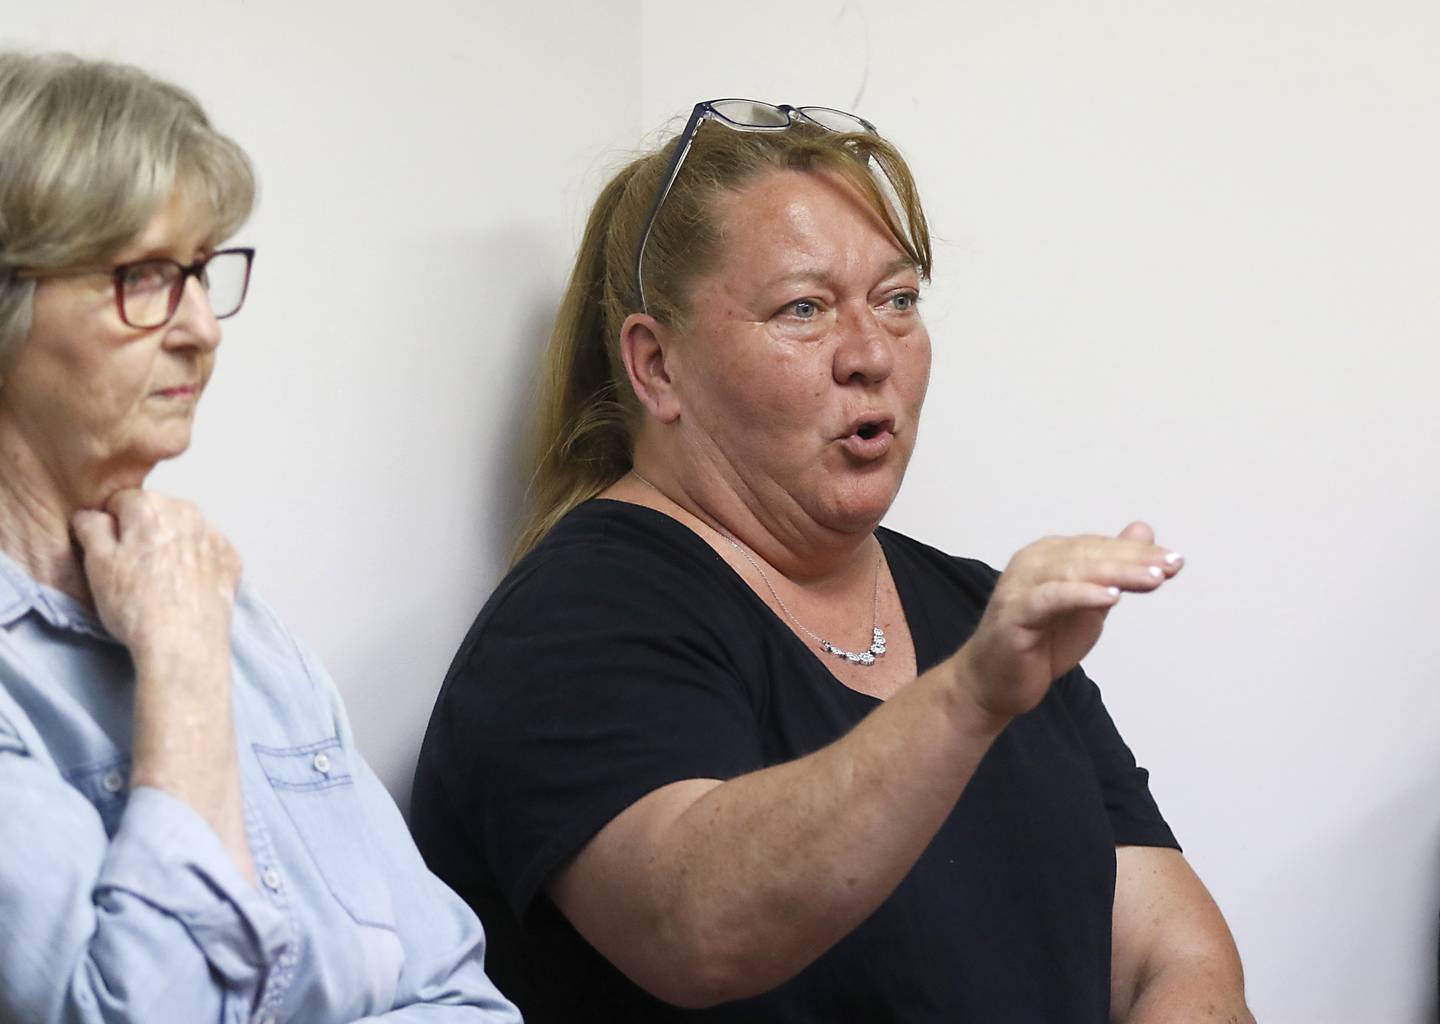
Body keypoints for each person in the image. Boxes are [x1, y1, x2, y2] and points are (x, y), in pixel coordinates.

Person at [410, 99, 1254, 1022]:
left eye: (897, 302)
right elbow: (697, 926)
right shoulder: (574, 619)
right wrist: (969, 698)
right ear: (657, 367)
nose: (870, 355)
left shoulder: (978, 605)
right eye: (804, 309)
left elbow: (1173, 957)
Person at [0, 52, 519, 1023]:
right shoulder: (196, 630)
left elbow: (456, 991)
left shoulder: (219, 608)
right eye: (146, 276)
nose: (204, 326)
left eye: (202, 272)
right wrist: (186, 677)